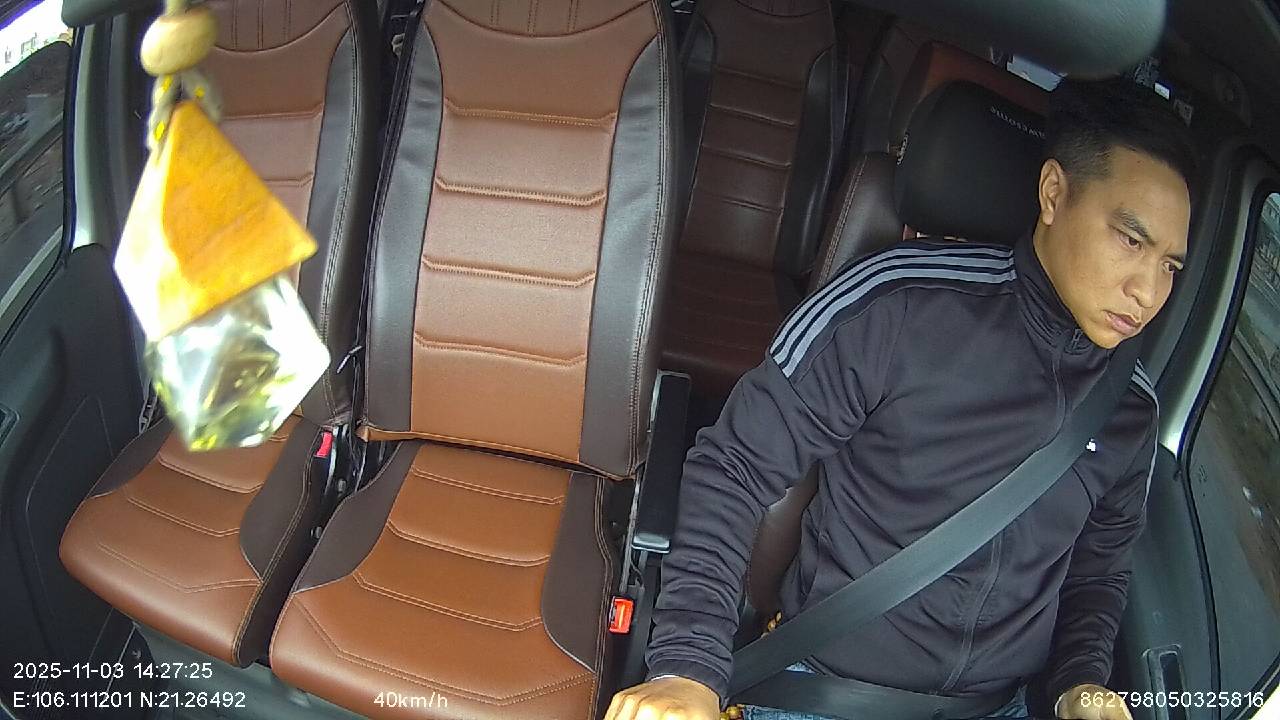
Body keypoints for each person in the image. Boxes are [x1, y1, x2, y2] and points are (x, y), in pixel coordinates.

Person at [604, 75, 1195, 720]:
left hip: (1000, 707)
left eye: (1170, 265)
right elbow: (734, 467)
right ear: (1054, 193)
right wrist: (688, 669)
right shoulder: (897, 305)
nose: (1148, 291)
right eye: (1131, 240)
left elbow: (1097, 575)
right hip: (829, 694)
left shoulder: (1129, 408)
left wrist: (1080, 686)